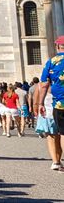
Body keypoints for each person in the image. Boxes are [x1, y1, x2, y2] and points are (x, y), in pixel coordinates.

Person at [36, 35, 64, 171]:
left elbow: (44, 84)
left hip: (59, 104)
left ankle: (57, 161)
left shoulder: (51, 62)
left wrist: (40, 103)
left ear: (58, 47)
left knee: (61, 132)